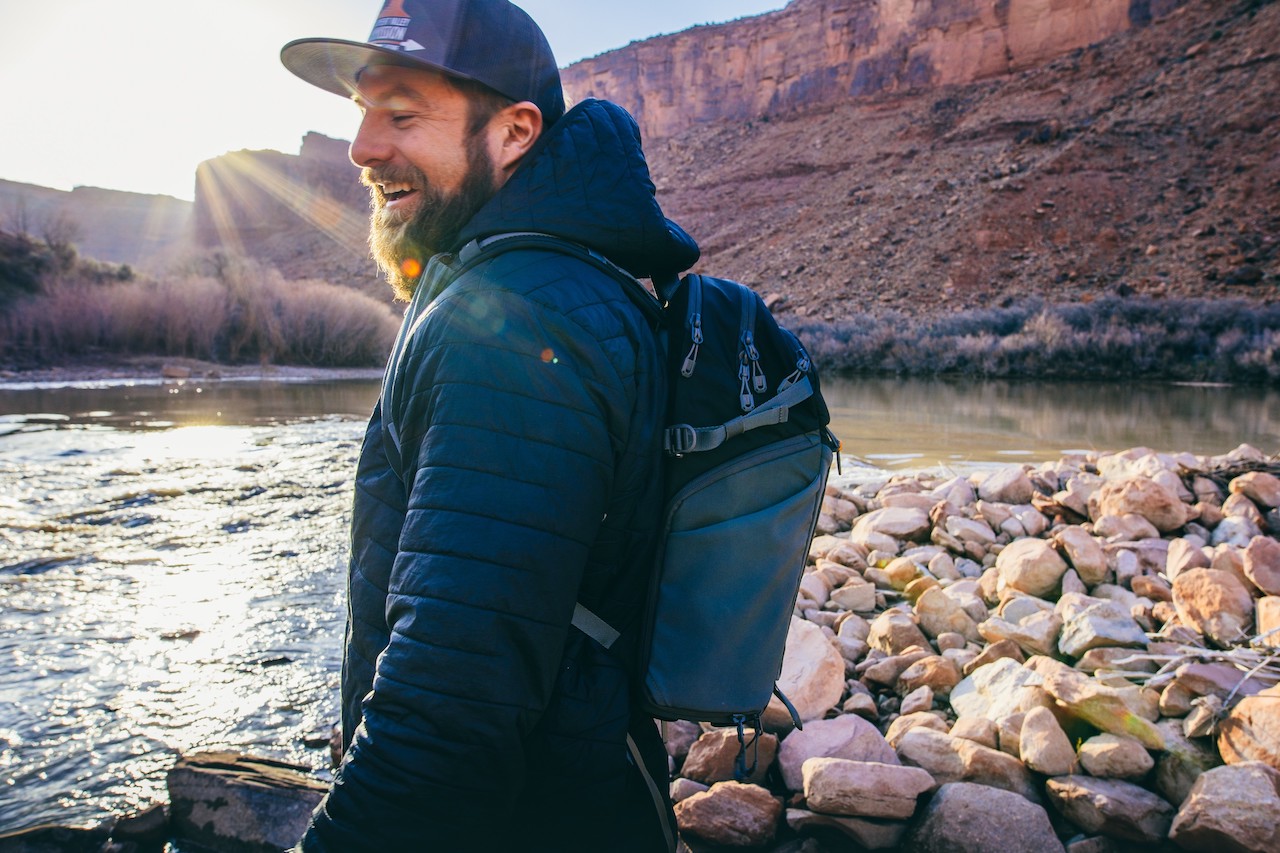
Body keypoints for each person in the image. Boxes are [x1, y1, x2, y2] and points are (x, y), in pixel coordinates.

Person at [280, 1, 699, 850]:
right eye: (362, 113)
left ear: (514, 132)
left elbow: (444, 724)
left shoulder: (515, 325)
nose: (362, 148)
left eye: (401, 114)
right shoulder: (559, 279)